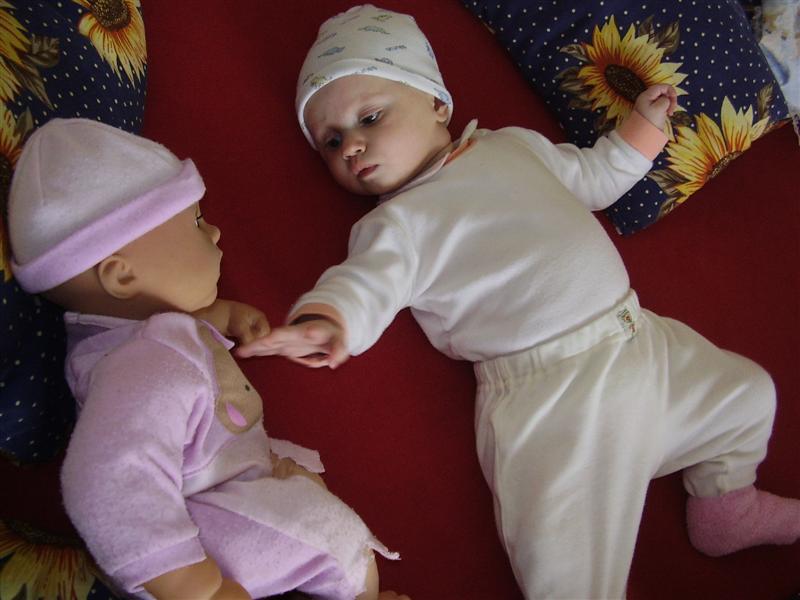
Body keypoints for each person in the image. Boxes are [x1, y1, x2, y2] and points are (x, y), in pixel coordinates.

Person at [237, 5, 800, 599]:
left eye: (370, 117)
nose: (351, 146)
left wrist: (641, 131)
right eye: (331, 142)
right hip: (553, 399)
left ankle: (725, 507)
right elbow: (367, 283)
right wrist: (328, 319)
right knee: (568, 572)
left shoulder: (512, 146)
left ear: (437, 103)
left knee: (748, 395)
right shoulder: (397, 223)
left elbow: (593, 178)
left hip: (640, 341)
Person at [6, 118, 409, 600]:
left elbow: (164, 325)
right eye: (195, 222)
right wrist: (190, 584)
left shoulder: (130, 339)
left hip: (216, 498)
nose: (215, 233)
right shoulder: (141, 366)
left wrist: (221, 316)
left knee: (306, 495)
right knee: (334, 536)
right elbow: (107, 479)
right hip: (190, 539)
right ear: (122, 276)